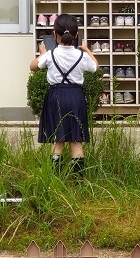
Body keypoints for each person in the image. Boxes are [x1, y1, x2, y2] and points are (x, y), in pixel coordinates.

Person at [29, 13, 98, 174]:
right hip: (76, 97)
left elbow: (32, 67)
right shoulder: (81, 55)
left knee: (57, 138)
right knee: (76, 139)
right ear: (76, 34)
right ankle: (79, 181)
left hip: (56, 96)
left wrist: (41, 54)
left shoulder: (51, 55)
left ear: (54, 34)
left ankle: (55, 178)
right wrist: (87, 50)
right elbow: (95, 67)